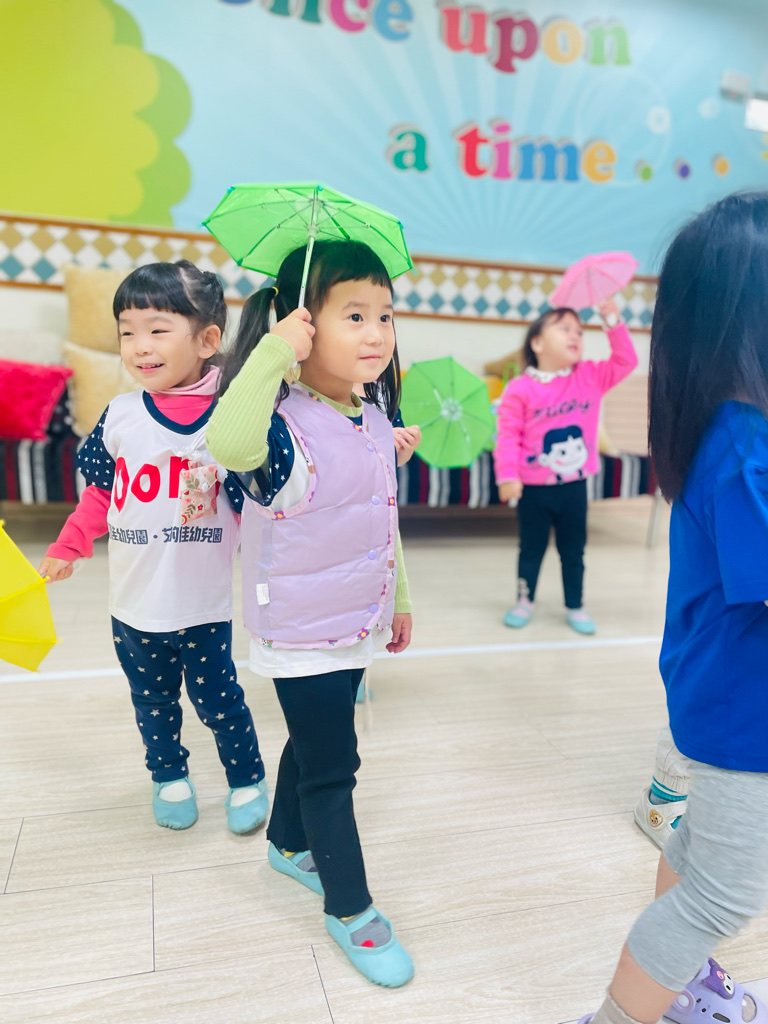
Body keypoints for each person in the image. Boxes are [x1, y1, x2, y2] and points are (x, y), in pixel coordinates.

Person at [579, 192, 768, 1024]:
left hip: (721, 688)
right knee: (724, 893)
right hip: (744, 710)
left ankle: (686, 987)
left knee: (694, 851)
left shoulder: (729, 422)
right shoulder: (742, 441)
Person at [206, 239, 414, 988]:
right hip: (299, 628)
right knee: (334, 766)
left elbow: (382, 514)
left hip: (354, 617)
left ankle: (287, 844)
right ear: (301, 322)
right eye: (354, 315)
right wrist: (271, 354)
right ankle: (349, 907)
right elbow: (228, 444)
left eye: (384, 315)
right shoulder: (278, 426)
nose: (376, 332)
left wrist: (399, 597)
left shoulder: (371, 413)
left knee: (316, 735)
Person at [38, 261, 268, 834]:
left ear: (207, 340)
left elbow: (259, 505)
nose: (140, 346)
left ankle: (246, 778)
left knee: (220, 701)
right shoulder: (121, 416)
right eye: (127, 332)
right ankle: (169, 776)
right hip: (133, 603)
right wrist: (68, 545)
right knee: (153, 701)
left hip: (203, 604)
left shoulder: (233, 420)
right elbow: (100, 492)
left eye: (158, 329)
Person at [493, 299, 637, 635]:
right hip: (533, 489)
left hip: (574, 487)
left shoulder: (590, 376)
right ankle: (524, 600)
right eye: (564, 329)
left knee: (574, 551)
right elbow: (508, 436)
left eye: (579, 331)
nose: (575, 335)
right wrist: (507, 476)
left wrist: (612, 322)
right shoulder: (520, 388)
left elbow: (626, 360)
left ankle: (575, 605)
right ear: (537, 343)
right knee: (531, 549)